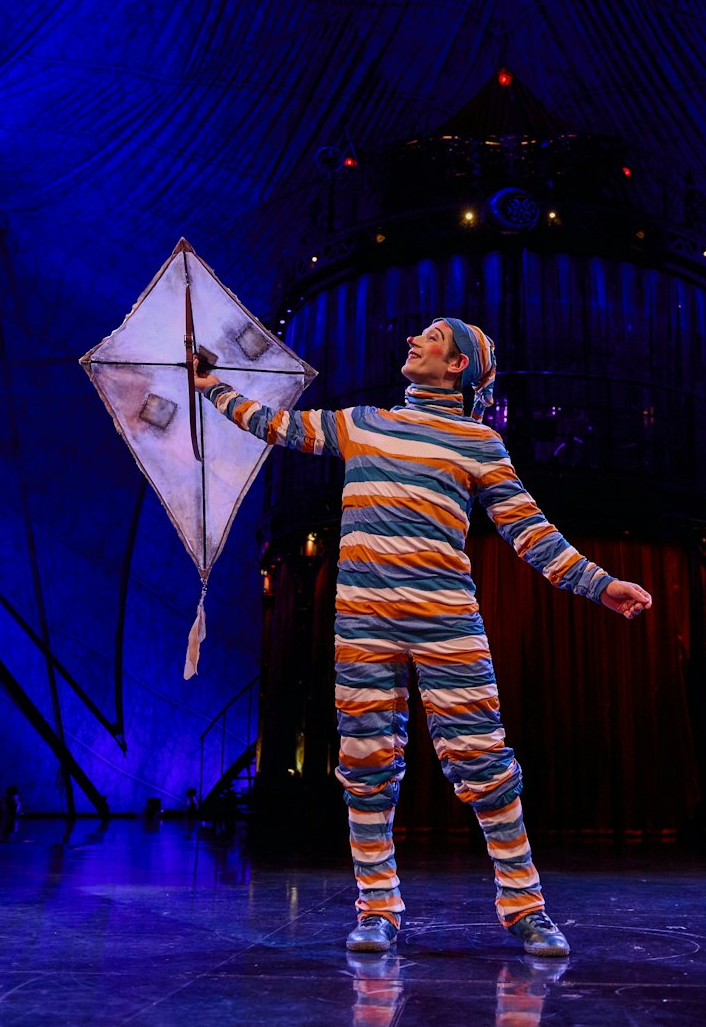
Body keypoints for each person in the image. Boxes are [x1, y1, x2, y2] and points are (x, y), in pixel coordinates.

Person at [195, 317, 652, 957]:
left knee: (484, 760)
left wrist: (601, 585)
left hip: (445, 618)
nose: (414, 340)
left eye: (432, 337)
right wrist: (211, 385)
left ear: (459, 364)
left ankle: (525, 906)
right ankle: (377, 908)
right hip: (363, 619)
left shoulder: (477, 443)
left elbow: (530, 530)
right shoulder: (361, 423)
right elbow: (276, 425)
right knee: (364, 763)